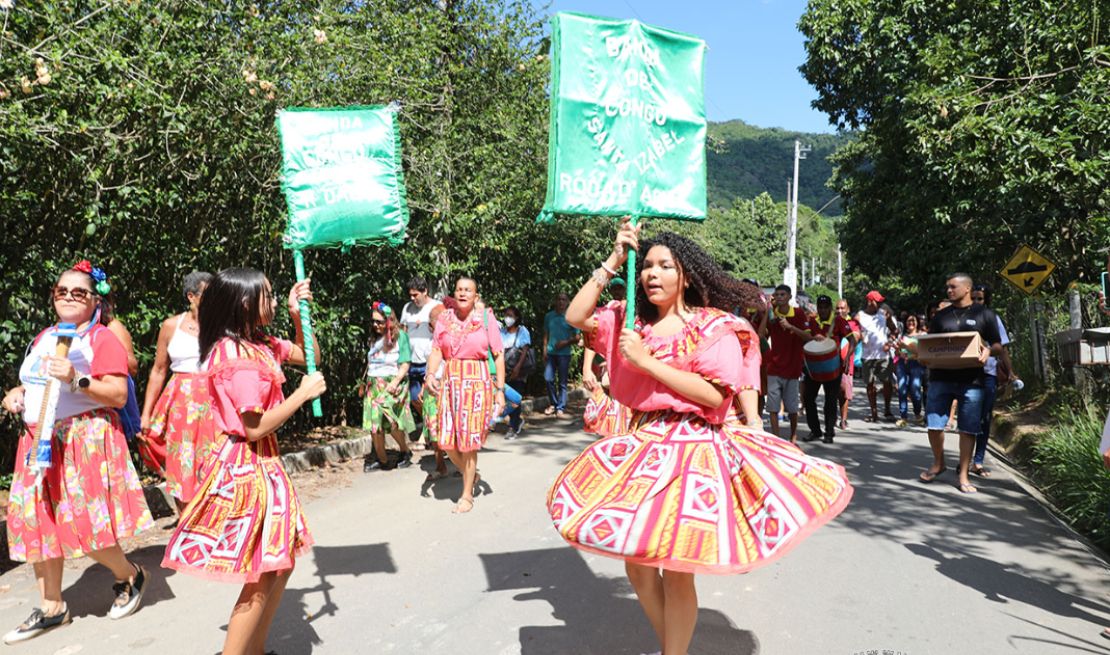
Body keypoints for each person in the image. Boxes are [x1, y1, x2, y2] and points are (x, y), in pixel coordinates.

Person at [549, 221, 853, 655]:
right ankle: (673, 645)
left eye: (664, 266)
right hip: (643, 442)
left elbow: (714, 396)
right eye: (647, 266)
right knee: (636, 568)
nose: (651, 274)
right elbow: (576, 316)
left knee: (675, 569)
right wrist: (615, 258)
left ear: (685, 276)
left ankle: (674, 652)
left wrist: (647, 363)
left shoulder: (715, 326)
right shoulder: (632, 322)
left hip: (694, 448)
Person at [162, 268, 326, 655]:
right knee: (263, 571)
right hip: (247, 465)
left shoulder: (260, 343)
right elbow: (253, 428)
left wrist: (298, 313)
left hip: (264, 464)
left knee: (278, 565)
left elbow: (309, 356)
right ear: (246, 303)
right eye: (268, 296)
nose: (272, 302)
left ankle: (254, 650)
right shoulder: (234, 354)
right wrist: (301, 396)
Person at [2, 260, 153, 644]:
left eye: (79, 292)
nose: (68, 297)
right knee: (40, 526)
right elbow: (31, 382)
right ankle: (53, 608)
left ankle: (130, 575)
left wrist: (76, 378)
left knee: (88, 528)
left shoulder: (100, 338)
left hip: (82, 440)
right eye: (61, 291)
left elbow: (117, 393)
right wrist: (16, 394)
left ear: (93, 298)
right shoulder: (43, 337)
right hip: (38, 440)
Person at [917, 273, 1010, 494]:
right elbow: (931, 343)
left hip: (972, 380)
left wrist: (988, 350)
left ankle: (963, 475)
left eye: (952, 287)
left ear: (966, 289)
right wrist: (923, 355)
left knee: (968, 428)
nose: (948, 291)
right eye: (947, 287)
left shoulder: (985, 315)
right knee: (934, 424)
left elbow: (998, 345)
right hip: (940, 377)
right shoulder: (941, 317)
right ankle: (939, 463)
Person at [424, 277, 505, 514]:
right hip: (450, 382)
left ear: (475, 296)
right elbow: (437, 350)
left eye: (468, 290)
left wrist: (500, 390)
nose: (462, 293)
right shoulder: (444, 319)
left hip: (476, 383)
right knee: (445, 440)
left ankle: (467, 494)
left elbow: (498, 355)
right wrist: (430, 374)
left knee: (469, 443)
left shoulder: (486, 319)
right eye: (459, 289)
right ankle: (472, 473)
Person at [139, 270, 218, 511]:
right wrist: (146, 413)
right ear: (191, 297)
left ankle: (217, 519)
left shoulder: (223, 326)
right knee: (182, 462)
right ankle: (187, 525)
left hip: (215, 399)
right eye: (208, 294)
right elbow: (158, 370)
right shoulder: (171, 326)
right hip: (181, 403)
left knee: (215, 458)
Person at [970, 283, 1018, 477]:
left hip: (988, 374)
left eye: (979, 298)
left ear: (986, 300)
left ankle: (978, 460)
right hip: (966, 375)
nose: (975, 302)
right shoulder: (961, 318)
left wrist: (1011, 372)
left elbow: (1002, 348)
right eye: (973, 298)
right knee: (968, 418)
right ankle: (965, 459)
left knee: (984, 418)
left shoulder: (993, 319)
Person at [363, 301, 416, 471]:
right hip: (373, 382)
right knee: (374, 425)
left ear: (389, 320)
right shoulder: (373, 337)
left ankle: (404, 450)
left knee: (393, 422)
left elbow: (406, 362)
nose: (375, 325)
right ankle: (382, 460)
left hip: (393, 382)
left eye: (379, 322)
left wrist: (395, 382)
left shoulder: (401, 336)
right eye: (373, 321)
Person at [758, 284, 813, 442]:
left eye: (783, 294)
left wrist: (790, 327)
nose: (780, 297)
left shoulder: (798, 313)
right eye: (777, 295)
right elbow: (761, 334)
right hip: (774, 367)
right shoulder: (772, 315)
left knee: (792, 408)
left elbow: (808, 337)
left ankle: (793, 439)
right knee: (773, 408)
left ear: (789, 297)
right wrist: (766, 311)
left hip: (793, 368)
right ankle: (776, 439)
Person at [582, 278, 632, 437]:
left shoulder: (632, 310)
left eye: (620, 288)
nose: (617, 292)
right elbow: (591, 338)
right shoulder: (606, 311)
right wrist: (586, 369)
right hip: (611, 369)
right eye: (614, 288)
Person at [802, 295, 855, 443]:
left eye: (826, 307)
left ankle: (829, 433)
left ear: (830, 308)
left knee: (830, 400)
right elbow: (805, 338)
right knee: (808, 398)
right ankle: (815, 430)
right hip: (814, 367)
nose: (823, 310)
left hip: (833, 366)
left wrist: (846, 358)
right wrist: (813, 338)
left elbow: (853, 340)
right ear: (817, 308)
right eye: (820, 307)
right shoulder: (812, 321)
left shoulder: (838, 321)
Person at [401, 276, 444, 440]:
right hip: (412, 361)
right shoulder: (407, 308)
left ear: (425, 291)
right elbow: (404, 333)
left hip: (430, 362)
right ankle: (430, 426)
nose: (412, 298)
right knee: (415, 399)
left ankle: (431, 432)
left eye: (415, 295)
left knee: (429, 399)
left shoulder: (436, 307)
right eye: (410, 295)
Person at [856, 290, 899, 422]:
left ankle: (887, 410)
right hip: (867, 356)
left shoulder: (883, 314)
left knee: (887, 382)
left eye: (881, 301)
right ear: (869, 301)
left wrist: (890, 342)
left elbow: (894, 330)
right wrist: (860, 336)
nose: (880, 304)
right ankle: (873, 412)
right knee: (870, 384)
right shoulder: (859, 316)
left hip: (883, 355)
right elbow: (854, 331)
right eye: (877, 301)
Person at [543, 292, 579, 418]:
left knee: (562, 382)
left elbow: (578, 337)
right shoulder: (549, 316)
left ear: (568, 302)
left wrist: (566, 342)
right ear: (555, 301)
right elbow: (546, 334)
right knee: (548, 379)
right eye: (559, 299)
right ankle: (553, 403)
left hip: (564, 354)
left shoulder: (570, 317)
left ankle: (560, 407)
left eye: (564, 299)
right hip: (551, 353)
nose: (561, 302)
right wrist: (544, 350)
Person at [500, 305, 533, 439]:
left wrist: (517, 368)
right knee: (507, 397)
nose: (508, 318)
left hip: (518, 369)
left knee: (515, 398)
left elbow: (525, 350)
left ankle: (512, 427)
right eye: (506, 315)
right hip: (505, 369)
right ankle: (516, 421)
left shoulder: (522, 331)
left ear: (517, 318)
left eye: (511, 316)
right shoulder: (502, 332)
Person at [894, 314, 927, 427]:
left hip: (917, 364)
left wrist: (906, 347)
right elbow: (897, 352)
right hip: (903, 363)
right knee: (902, 389)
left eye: (913, 320)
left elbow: (922, 351)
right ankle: (903, 417)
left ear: (917, 322)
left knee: (915, 389)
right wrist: (899, 351)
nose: (911, 323)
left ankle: (917, 414)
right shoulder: (902, 336)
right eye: (908, 321)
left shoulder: (922, 335)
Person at [835, 299, 861, 430]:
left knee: (844, 392)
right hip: (832, 363)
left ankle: (843, 419)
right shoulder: (832, 323)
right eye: (837, 308)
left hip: (846, 363)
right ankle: (832, 417)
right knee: (833, 392)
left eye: (842, 308)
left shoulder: (853, 323)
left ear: (848, 309)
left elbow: (855, 338)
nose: (840, 311)